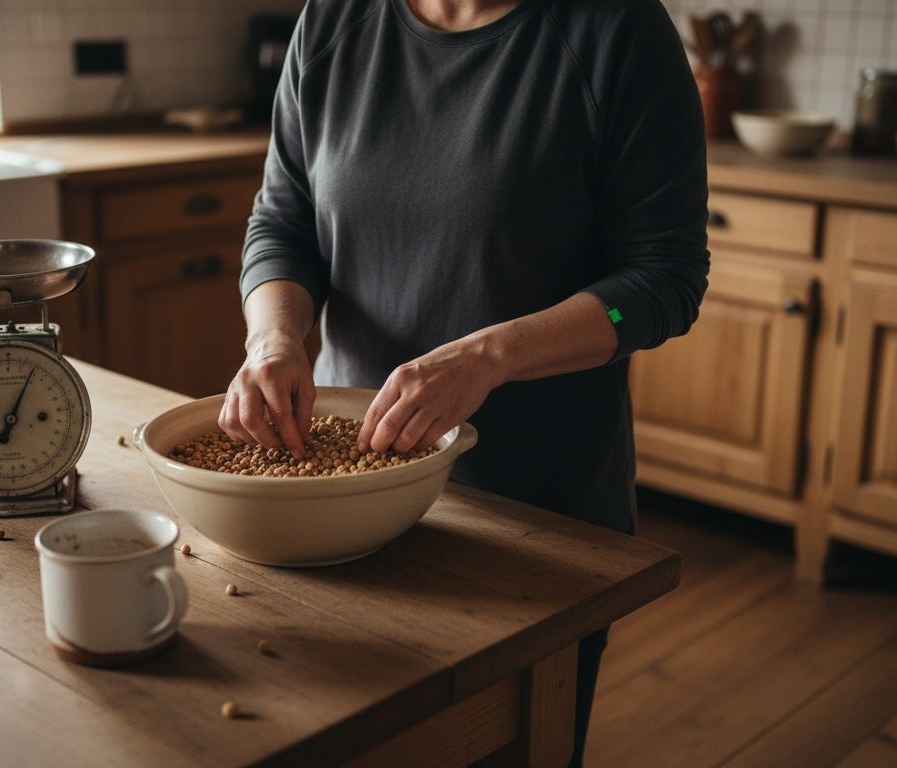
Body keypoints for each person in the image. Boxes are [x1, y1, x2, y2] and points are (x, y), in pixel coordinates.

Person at [221, 0, 708, 763]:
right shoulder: (334, 20)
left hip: (533, 516)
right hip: (343, 503)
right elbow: (283, 221)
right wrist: (275, 335)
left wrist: (491, 357)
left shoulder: (616, 31)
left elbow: (666, 280)